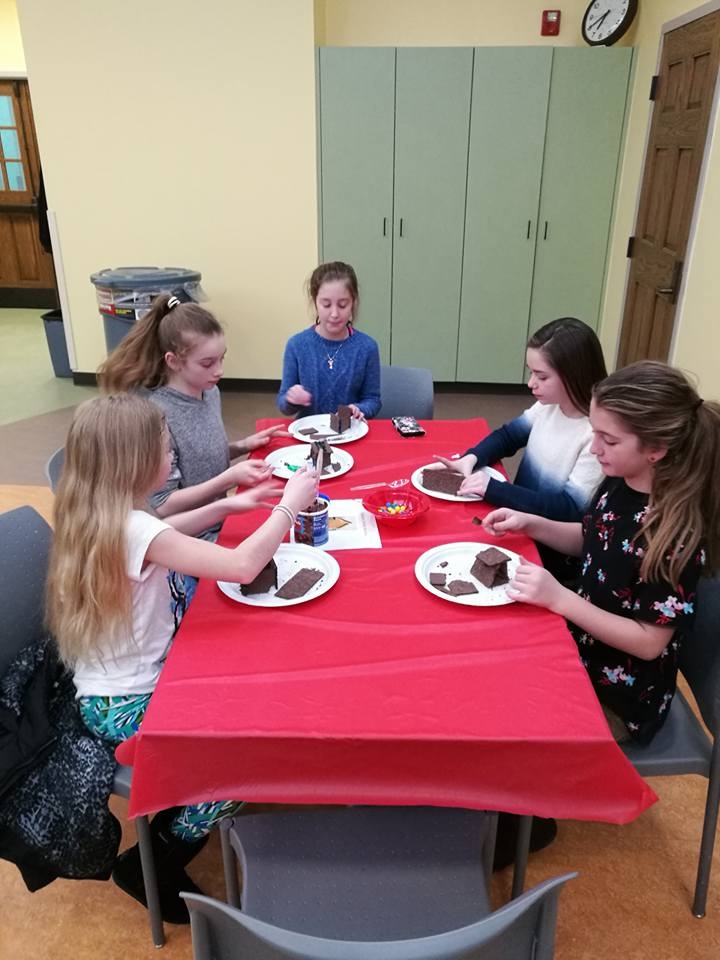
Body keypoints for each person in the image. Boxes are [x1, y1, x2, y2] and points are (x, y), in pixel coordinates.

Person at [46, 393, 318, 924]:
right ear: (133, 463)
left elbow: (162, 528)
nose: (172, 460)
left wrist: (226, 506)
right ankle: (158, 858)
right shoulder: (135, 528)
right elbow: (240, 565)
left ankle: (174, 804)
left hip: (109, 687)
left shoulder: (102, 511)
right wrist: (290, 505)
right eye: (166, 451)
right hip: (128, 703)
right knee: (246, 761)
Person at [484, 361, 719, 746]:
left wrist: (559, 598)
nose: (594, 449)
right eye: (595, 434)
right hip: (579, 644)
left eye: (608, 441)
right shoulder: (621, 481)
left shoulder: (676, 534)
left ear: (656, 449)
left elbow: (648, 641)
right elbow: (594, 539)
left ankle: (527, 804)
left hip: (620, 696)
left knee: (507, 722)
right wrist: (533, 524)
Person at [98, 295, 287, 540]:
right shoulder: (157, 417)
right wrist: (227, 479)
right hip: (187, 535)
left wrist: (242, 446)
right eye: (207, 363)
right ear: (174, 361)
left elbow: (197, 458)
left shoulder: (209, 392)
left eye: (221, 358)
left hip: (217, 517)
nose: (219, 370)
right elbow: (163, 504)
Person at [432, 317, 607, 521]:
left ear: (575, 375)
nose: (531, 383)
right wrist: (471, 458)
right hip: (517, 514)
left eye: (542, 377)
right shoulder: (547, 405)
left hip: (545, 538)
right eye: (531, 372)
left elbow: (569, 509)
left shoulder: (596, 436)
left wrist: (495, 489)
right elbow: (508, 437)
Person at [277, 261, 382, 419]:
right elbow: (283, 405)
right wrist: (291, 399)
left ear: (353, 303)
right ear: (315, 303)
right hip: (310, 436)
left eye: (342, 305)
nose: (334, 314)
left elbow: (373, 400)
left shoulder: (367, 347)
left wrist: (359, 409)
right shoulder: (297, 345)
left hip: (350, 433)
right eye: (326, 305)